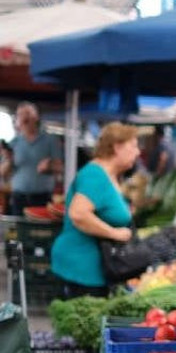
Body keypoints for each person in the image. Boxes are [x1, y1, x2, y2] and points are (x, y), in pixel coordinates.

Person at [50, 123, 139, 297]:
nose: (138, 152)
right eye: (134, 146)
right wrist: (114, 233)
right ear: (117, 147)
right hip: (82, 268)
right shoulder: (95, 175)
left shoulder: (110, 175)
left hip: (95, 268)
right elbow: (78, 214)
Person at [4, 102, 63, 215]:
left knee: (40, 230)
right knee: (20, 230)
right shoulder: (13, 143)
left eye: (27, 114)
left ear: (36, 117)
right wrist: (9, 160)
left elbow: (60, 167)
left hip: (42, 197)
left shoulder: (50, 140)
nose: (24, 117)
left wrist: (49, 166)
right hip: (19, 197)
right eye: (20, 114)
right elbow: (3, 173)